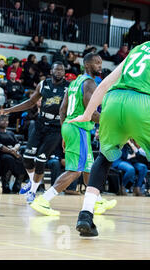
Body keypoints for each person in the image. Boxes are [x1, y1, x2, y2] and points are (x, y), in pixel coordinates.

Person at [69, 14, 150, 246]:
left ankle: (86, 215)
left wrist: (88, 114)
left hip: (114, 101)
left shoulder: (140, 48)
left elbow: (106, 81)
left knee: (105, 158)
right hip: (143, 105)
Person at [29, 53, 116, 215]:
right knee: (75, 170)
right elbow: (91, 114)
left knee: (88, 167)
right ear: (87, 65)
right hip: (78, 128)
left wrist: (64, 131)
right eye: (97, 63)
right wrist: (113, 122)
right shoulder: (89, 83)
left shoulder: (75, 83)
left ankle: (95, 201)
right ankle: (43, 200)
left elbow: (62, 109)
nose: (100, 66)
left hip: (71, 127)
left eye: (101, 63)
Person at [0, 62, 69, 204]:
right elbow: (30, 102)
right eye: (57, 69)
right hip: (40, 124)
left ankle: (33, 192)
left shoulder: (68, 88)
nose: (59, 72)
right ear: (51, 71)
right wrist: (9, 110)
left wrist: (65, 133)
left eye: (62, 70)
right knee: (27, 157)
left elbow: (68, 110)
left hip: (55, 127)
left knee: (41, 160)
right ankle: (32, 182)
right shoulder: (43, 84)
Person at [0, 115, 25, 193]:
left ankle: (17, 184)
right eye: (3, 120)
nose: (5, 122)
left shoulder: (11, 133)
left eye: (7, 120)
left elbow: (17, 143)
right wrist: (12, 151)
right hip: (1, 154)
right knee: (8, 159)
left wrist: (14, 149)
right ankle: (5, 184)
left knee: (22, 159)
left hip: (13, 153)